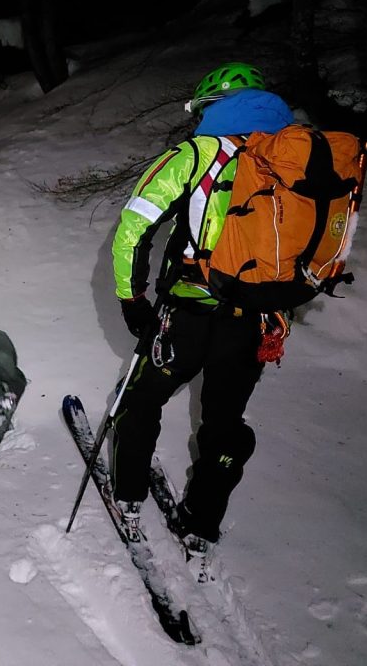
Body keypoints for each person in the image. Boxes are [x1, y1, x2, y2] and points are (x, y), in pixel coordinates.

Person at [110, 62, 295, 558]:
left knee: (143, 398)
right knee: (224, 423)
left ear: (214, 107)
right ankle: (202, 520)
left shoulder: (195, 155)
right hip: (254, 320)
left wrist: (133, 300)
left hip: (187, 314)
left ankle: (127, 495)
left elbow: (134, 228)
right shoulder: (294, 155)